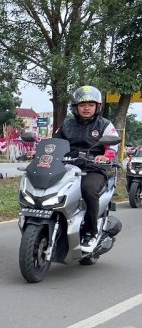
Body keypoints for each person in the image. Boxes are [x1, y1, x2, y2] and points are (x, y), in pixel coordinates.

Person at [54, 85, 119, 252]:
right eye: (82, 105)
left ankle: (90, 232)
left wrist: (106, 156)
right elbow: (54, 143)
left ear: (97, 107)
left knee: (88, 189)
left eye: (90, 104)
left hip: (94, 168)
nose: (86, 108)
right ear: (75, 107)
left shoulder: (105, 124)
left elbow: (112, 146)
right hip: (68, 167)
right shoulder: (67, 125)